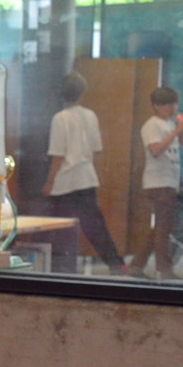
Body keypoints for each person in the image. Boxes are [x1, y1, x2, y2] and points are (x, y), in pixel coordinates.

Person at [43, 72, 124, 273]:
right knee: (95, 226)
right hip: (87, 177)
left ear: (61, 93)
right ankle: (115, 263)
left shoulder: (60, 118)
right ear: (82, 93)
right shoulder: (91, 115)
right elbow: (96, 150)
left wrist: (49, 182)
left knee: (63, 228)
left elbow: (58, 155)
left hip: (65, 182)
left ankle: (64, 267)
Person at [138, 85, 183, 279]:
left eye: (173, 103)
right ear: (156, 106)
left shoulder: (167, 124)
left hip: (168, 180)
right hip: (158, 181)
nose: (171, 108)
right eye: (166, 104)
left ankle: (137, 265)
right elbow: (155, 150)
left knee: (160, 226)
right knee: (163, 228)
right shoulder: (152, 125)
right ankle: (164, 269)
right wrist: (176, 132)